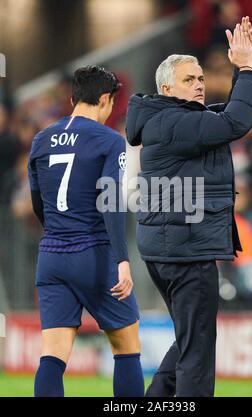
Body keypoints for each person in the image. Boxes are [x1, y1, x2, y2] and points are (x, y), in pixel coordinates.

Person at [125, 17, 252, 397]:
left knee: (191, 340)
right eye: (190, 80)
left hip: (169, 248)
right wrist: (247, 69)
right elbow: (235, 121)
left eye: (201, 77)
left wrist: (242, 78)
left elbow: (226, 115)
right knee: (198, 351)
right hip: (186, 252)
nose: (200, 84)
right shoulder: (174, 123)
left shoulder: (163, 119)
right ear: (166, 88)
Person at [28, 65, 144, 397]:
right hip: (94, 254)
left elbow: (40, 204)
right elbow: (111, 202)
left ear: (72, 98)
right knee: (126, 347)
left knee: (52, 355)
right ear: (106, 100)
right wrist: (121, 260)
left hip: (51, 256)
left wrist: (56, 234)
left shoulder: (41, 139)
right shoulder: (110, 140)